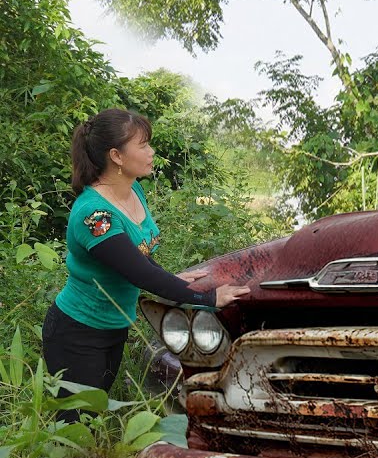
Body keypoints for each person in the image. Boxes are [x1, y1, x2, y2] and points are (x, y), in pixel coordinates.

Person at [42, 108, 249, 415]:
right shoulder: (95, 215)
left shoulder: (134, 190)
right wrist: (208, 299)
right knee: (75, 423)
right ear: (117, 156)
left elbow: (138, 256)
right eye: (143, 145)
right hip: (79, 333)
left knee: (94, 417)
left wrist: (173, 279)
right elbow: (139, 273)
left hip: (114, 327)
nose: (151, 152)